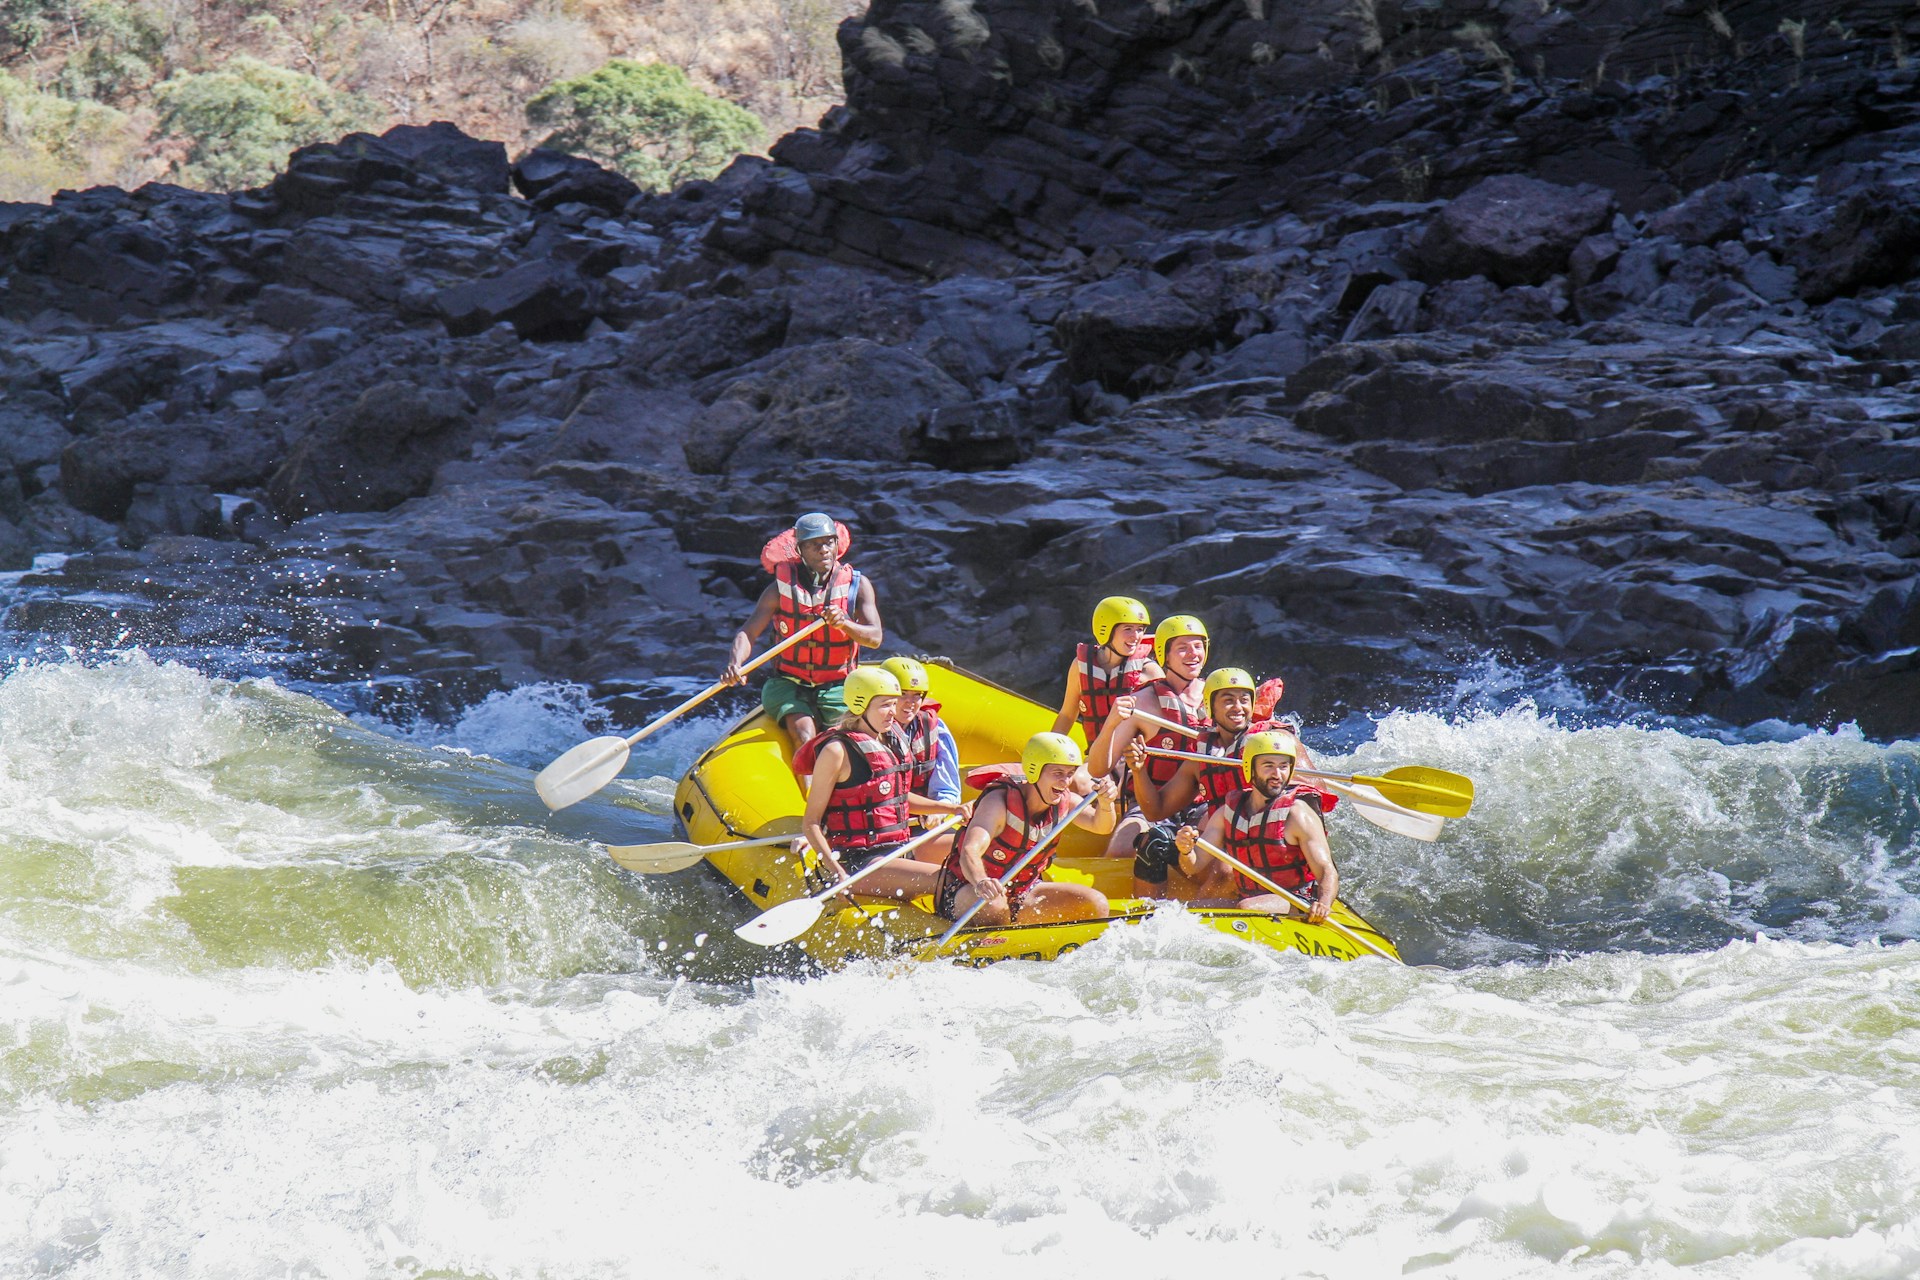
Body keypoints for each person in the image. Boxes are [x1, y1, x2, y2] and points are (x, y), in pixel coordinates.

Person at [790, 667, 967, 904]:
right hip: (862, 863)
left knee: (973, 852)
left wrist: (950, 809)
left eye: (894, 704)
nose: (893, 713)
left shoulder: (889, 740)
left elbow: (898, 798)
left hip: (899, 847)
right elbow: (811, 822)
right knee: (950, 879)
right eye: (884, 705)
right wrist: (837, 872)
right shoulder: (837, 751)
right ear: (860, 705)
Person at [722, 512, 884, 748]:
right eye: (814, 545)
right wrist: (735, 663)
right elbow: (748, 632)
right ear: (800, 550)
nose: (823, 550)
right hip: (789, 683)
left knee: (843, 745)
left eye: (829, 542)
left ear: (837, 545)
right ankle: (807, 784)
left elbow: (875, 638)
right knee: (804, 735)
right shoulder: (779, 589)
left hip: (838, 684)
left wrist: (844, 623)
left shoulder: (857, 586)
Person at [935, 732, 1119, 927]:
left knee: (1096, 904)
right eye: (1057, 773)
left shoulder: (1066, 801)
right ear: (1034, 770)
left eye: (1069, 773)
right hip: (970, 888)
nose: (1065, 782)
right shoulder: (998, 803)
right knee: (995, 906)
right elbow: (970, 850)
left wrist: (1106, 804)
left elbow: (1102, 826)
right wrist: (982, 881)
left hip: (1023, 890)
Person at [1172, 729, 1338, 922]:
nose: (1277, 774)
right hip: (1250, 899)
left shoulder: (1297, 814)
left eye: (1283, 766)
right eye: (1268, 766)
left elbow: (1327, 870)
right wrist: (1185, 850)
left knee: (1247, 907)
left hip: (1296, 900)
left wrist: (1323, 904)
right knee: (1187, 911)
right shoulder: (1227, 812)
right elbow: (1193, 866)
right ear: (1249, 768)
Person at [1086, 613, 1210, 859]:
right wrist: (1111, 723)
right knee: (1120, 850)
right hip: (1151, 804)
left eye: (1198, 646)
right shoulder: (1143, 702)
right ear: (1164, 654)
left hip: (1202, 805)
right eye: (1182, 648)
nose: (1193, 654)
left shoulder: (1218, 698)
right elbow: (1098, 768)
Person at [880, 655, 968, 863]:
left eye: (917, 695)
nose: (910, 703)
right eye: (903, 694)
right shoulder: (867, 732)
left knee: (970, 847)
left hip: (920, 826)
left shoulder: (934, 728)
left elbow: (947, 789)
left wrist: (939, 811)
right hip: (879, 829)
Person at [1050, 595, 1162, 742]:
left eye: (1140, 629)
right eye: (1128, 629)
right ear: (1106, 630)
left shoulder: (1150, 671)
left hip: (1133, 760)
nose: (1136, 636)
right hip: (1095, 757)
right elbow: (1067, 714)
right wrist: (1050, 750)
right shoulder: (1080, 666)